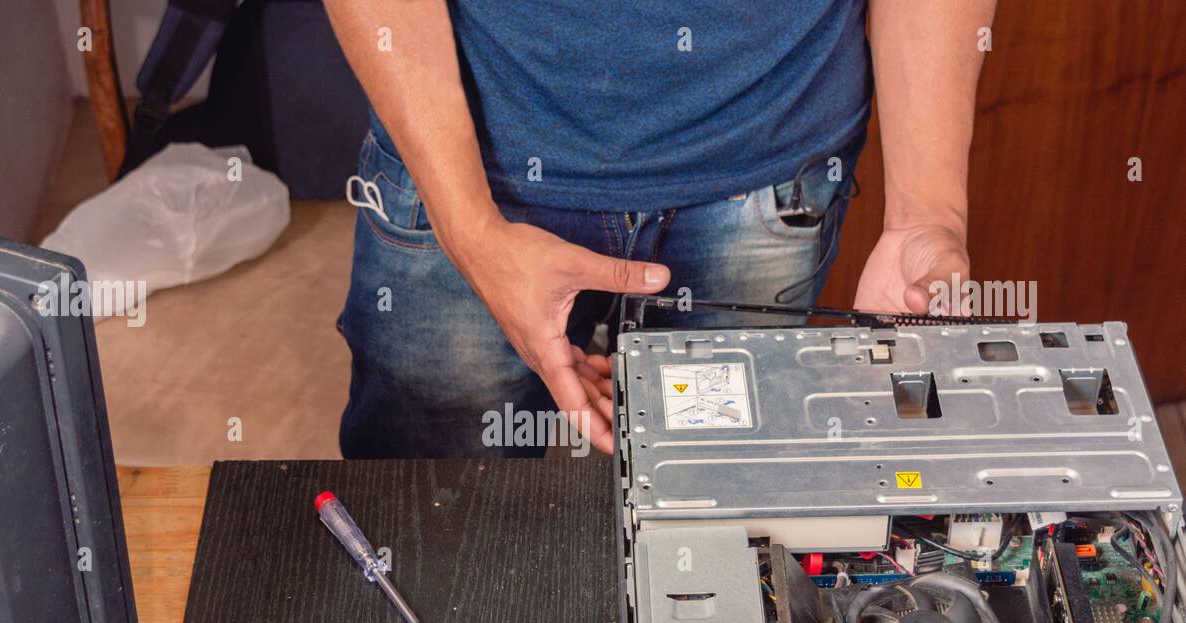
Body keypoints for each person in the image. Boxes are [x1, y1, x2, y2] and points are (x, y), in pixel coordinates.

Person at [328, 1, 994, 458]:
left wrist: (926, 216)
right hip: (462, 174)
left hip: (767, 182)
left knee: (707, 517)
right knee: (432, 518)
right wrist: (470, 230)